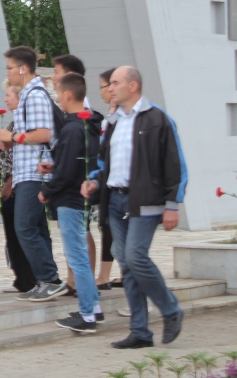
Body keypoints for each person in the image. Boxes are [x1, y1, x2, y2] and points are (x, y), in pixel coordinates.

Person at [82, 66, 184, 348]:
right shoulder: (113, 122)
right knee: (127, 265)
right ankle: (140, 331)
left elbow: (175, 164)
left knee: (136, 257)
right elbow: (104, 163)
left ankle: (171, 309)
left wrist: (172, 204)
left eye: (115, 83)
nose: (109, 88)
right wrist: (94, 182)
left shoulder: (158, 119)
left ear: (133, 86)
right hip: (114, 200)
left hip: (145, 200)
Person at [0, 46, 65, 301]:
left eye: (10, 68)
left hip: (35, 173)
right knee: (35, 228)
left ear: (23, 69)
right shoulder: (29, 94)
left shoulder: (34, 95)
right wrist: (13, 141)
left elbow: (44, 134)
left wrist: (12, 136)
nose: (8, 72)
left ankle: (50, 279)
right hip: (28, 171)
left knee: (24, 226)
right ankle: (43, 280)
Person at [42, 73, 105, 333]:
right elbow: (79, 162)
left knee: (76, 257)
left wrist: (48, 189)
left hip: (69, 199)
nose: (57, 99)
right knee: (78, 254)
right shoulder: (89, 124)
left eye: (57, 93)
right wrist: (56, 166)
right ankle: (94, 308)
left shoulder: (70, 129)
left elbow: (67, 170)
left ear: (68, 95)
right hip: (83, 196)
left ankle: (87, 315)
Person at [0, 83, 37, 295]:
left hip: (15, 187)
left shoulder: (24, 126)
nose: (5, 99)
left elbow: (19, 157)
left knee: (21, 233)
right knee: (11, 234)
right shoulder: (13, 123)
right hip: (4, 188)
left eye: (9, 95)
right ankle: (20, 277)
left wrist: (9, 182)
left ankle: (29, 279)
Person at [51, 53, 91, 294]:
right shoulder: (73, 116)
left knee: (79, 245)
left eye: (56, 72)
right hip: (72, 189)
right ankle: (75, 283)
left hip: (74, 192)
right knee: (75, 247)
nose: (53, 77)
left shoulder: (80, 117)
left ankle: (88, 303)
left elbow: (74, 158)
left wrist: (48, 189)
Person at [96, 68, 120, 290]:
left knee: (113, 228)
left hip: (119, 185)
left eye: (103, 87)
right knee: (108, 227)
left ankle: (106, 276)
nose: (104, 91)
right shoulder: (111, 117)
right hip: (106, 181)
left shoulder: (125, 118)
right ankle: (106, 275)